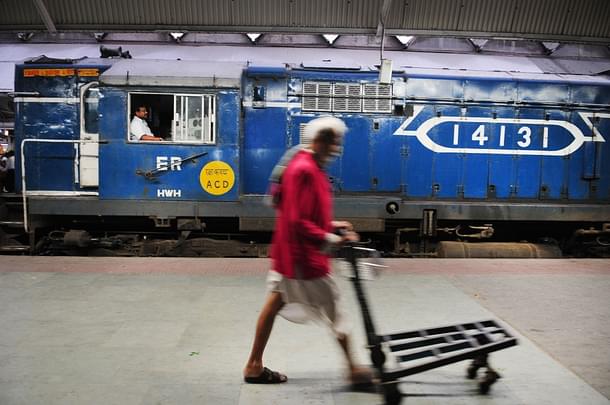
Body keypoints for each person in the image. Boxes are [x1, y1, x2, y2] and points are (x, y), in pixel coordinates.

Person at [243, 116, 373, 387]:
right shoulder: (304, 170)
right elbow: (296, 220)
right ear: (320, 142)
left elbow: (305, 212)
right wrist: (330, 238)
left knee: (273, 304)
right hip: (302, 260)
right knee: (336, 309)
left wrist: (334, 225)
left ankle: (254, 365)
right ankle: (354, 369)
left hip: (289, 255)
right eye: (334, 143)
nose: (337, 149)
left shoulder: (310, 165)